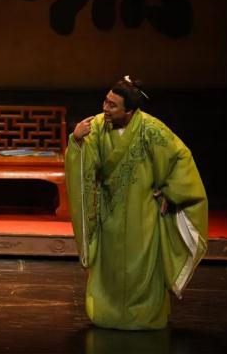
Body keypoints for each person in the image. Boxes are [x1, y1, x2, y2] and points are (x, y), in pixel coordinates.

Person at [65, 75, 208, 330]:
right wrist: (76, 141)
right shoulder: (96, 127)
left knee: (141, 267)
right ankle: (107, 312)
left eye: (112, 105)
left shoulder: (151, 130)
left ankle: (145, 314)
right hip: (110, 211)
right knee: (110, 266)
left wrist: (170, 191)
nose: (105, 108)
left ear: (129, 111)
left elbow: (181, 158)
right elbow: (86, 163)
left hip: (143, 213)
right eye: (105, 101)